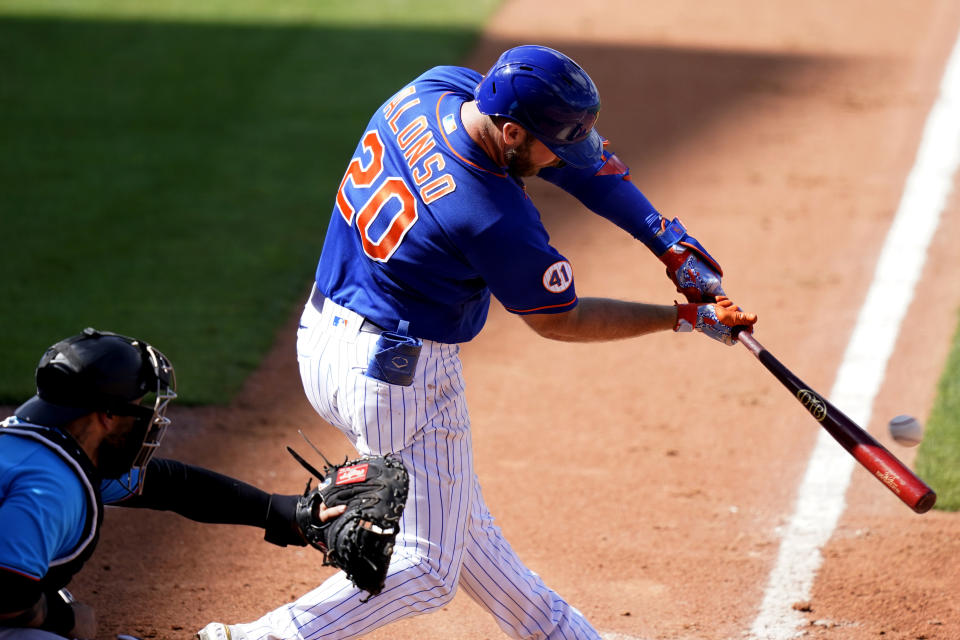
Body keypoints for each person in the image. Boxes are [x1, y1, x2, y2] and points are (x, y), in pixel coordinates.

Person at [197, 44, 757, 640]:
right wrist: (683, 317)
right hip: (398, 380)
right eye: (554, 145)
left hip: (324, 343)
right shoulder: (491, 217)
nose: (562, 158)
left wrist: (664, 239)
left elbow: (579, 162)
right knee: (428, 568)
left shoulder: (433, 90)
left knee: (463, 526)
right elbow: (557, 318)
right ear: (512, 131)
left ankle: (561, 633)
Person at [0, 328, 345, 640]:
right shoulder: (51, 486)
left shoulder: (34, 443)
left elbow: (170, 485)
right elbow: (8, 598)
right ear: (106, 415)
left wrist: (276, 512)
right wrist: (67, 620)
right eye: (136, 407)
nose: (145, 419)